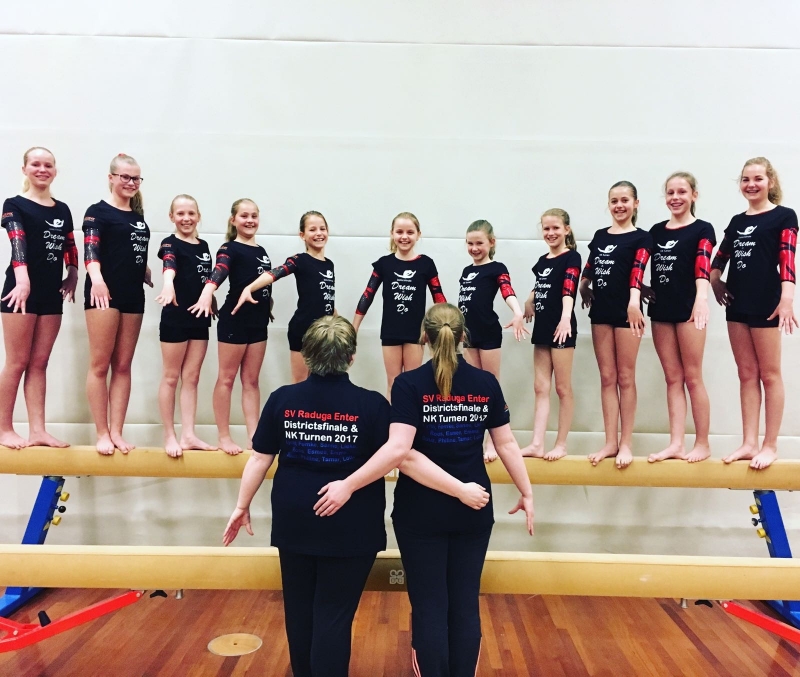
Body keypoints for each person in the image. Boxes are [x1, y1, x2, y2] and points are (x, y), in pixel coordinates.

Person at [315, 303, 534, 677]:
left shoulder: (408, 384)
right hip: (473, 507)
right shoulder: (485, 383)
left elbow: (400, 451)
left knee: (430, 604)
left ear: (424, 337)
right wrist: (526, 493)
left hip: (422, 512)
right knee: (464, 603)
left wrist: (349, 485)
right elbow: (507, 443)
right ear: (463, 336)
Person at [711, 157, 797, 470]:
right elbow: (719, 258)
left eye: (758, 179)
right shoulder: (736, 222)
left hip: (766, 301)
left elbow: (788, 259)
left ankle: (770, 445)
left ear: (770, 182)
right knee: (746, 374)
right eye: (746, 179)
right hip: (737, 303)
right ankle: (749, 442)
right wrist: (715, 281)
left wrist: (787, 299)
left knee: (769, 374)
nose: (751, 184)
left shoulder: (783, 216)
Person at [0, 146, 78, 449]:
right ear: (25, 169)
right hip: (20, 291)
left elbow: (69, 244)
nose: (42, 169)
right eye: (35, 164)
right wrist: (22, 279)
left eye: (48, 165)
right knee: (17, 361)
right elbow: (17, 241)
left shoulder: (62, 209)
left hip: (50, 292)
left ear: (55, 171)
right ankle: (3, 429)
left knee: (39, 363)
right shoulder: (14, 204)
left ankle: (38, 431)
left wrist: (72, 272)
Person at [579, 181, 652, 469]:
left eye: (624, 200)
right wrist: (584, 285)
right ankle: (610, 441)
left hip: (628, 312)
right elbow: (591, 265)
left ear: (636, 203)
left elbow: (637, 271)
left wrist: (634, 302)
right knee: (607, 377)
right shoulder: (600, 236)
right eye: (614, 201)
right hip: (601, 311)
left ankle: (626, 443)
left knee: (626, 377)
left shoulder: (641, 237)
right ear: (608, 204)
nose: (619, 205)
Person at [189, 198, 270, 454]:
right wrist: (208, 291)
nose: (250, 220)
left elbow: (260, 282)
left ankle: (254, 436)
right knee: (226, 378)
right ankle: (223, 436)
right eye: (244, 216)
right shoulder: (229, 248)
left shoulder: (262, 251)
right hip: (235, 319)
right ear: (233, 220)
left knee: (252, 381)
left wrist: (268, 303)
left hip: (258, 323)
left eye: (254, 215)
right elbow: (220, 270)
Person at [83, 153, 152, 454]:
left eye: (135, 178)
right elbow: (91, 250)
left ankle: (117, 432)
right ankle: (102, 432)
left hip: (133, 294)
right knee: (100, 365)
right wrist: (97, 279)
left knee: (123, 366)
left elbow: (128, 250)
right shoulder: (97, 212)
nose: (130, 182)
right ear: (111, 178)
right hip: (103, 292)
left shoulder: (138, 217)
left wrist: (144, 269)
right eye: (125, 176)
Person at [647, 172, 716, 463]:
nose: (675, 197)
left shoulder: (702, 229)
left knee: (692, 377)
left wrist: (701, 299)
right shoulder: (655, 231)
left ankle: (702, 443)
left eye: (682, 192)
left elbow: (703, 266)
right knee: (672, 378)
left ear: (694, 195)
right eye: (670, 192)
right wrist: (639, 289)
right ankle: (676, 443)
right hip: (661, 310)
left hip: (689, 309)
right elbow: (634, 263)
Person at [233, 210, 335, 383]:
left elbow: (327, 299)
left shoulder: (329, 264)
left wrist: (340, 326)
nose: (318, 233)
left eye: (322, 229)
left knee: (321, 383)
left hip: (325, 331)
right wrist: (249, 288)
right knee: (300, 382)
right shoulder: (300, 260)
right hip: (303, 329)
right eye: (312, 230)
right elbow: (275, 273)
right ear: (302, 235)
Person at [353, 212, 446, 398]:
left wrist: (443, 326)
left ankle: (412, 418)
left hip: (416, 332)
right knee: (393, 382)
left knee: (412, 383)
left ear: (418, 235)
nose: (404, 237)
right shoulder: (384, 264)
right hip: (390, 331)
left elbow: (439, 298)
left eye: (410, 232)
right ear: (392, 234)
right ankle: (391, 417)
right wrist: (353, 329)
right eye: (399, 232)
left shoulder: (426, 264)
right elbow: (367, 295)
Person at [457, 219, 527, 462]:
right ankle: (475, 438)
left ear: (491, 243)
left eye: (479, 243)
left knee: (490, 386)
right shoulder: (466, 271)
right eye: (470, 243)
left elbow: (507, 290)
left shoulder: (496, 268)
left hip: (488, 332)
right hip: (468, 334)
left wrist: (517, 312)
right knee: (473, 387)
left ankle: (494, 440)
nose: (474, 248)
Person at [155, 194, 215, 457]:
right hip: (176, 316)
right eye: (180, 213)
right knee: (171, 377)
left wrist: (211, 301)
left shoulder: (204, 246)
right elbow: (169, 264)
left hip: (200, 317)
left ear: (198, 216)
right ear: (172, 217)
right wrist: (168, 284)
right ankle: (169, 435)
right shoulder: (169, 243)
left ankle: (188, 434)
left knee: (192, 378)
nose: (186, 218)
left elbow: (204, 280)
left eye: (191, 213)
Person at [521, 208, 581, 461]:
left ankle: (561, 444)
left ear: (566, 229)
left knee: (562, 388)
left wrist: (566, 318)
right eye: (546, 228)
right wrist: (530, 299)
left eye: (556, 228)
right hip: (543, 327)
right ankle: (537, 443)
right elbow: (542, 283)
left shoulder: (572, 257)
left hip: (561, 327)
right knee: (540, 387)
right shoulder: (543, 260)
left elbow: (569, 288)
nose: (551, 232)